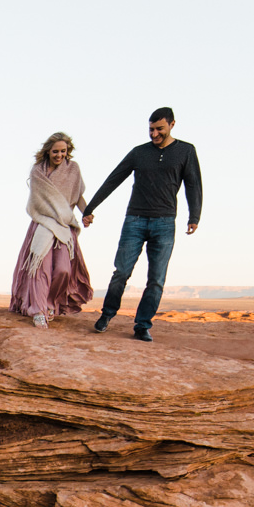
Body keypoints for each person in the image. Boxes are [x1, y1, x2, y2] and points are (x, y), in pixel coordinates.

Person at [83, 107, 203, 341]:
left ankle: (142, 325)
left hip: (165, 222)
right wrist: (90, 208)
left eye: (160, 129)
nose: (155, 133)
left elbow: (193, 185)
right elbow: (114, 179)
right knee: (122, 272)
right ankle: (106, 315)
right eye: (151, 129)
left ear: (172, 125)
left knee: (156, 280)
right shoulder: (139, 153)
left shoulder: (186, 151)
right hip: (135, 221)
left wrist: (194, 216)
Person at [8, 132, 93, 327]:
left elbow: (78, 196)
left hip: (64, 227)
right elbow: (39, 201)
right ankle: (38, 310)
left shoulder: (73, 170)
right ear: (48, 151)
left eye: (63, 151)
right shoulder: (38, 171)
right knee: (40, 268)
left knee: (63, 270)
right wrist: (54, 215)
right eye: (55, 151)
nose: (59, 155)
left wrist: (86, 213)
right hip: (44, 225)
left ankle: (50, 302)